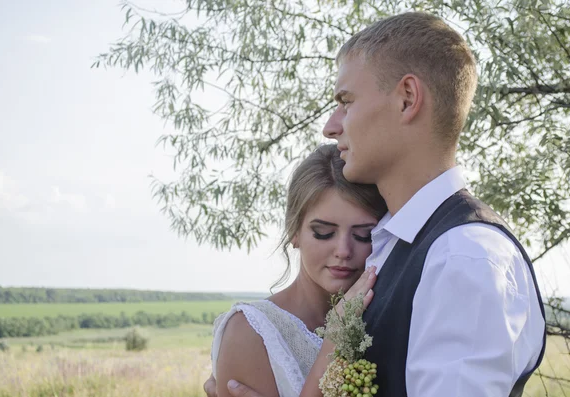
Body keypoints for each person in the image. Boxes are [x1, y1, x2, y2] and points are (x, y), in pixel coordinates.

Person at [207, 11, 546, 397]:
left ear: (407, 99)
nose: (331, 126)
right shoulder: (394, 247)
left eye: (346, 102)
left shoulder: (461, 257)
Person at [210, 143, 387, 397]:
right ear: (294, 231)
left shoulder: (387, 317)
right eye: (324, 233)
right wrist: (332, 344)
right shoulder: (252, 332)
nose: (343, 250)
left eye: (363, 235)